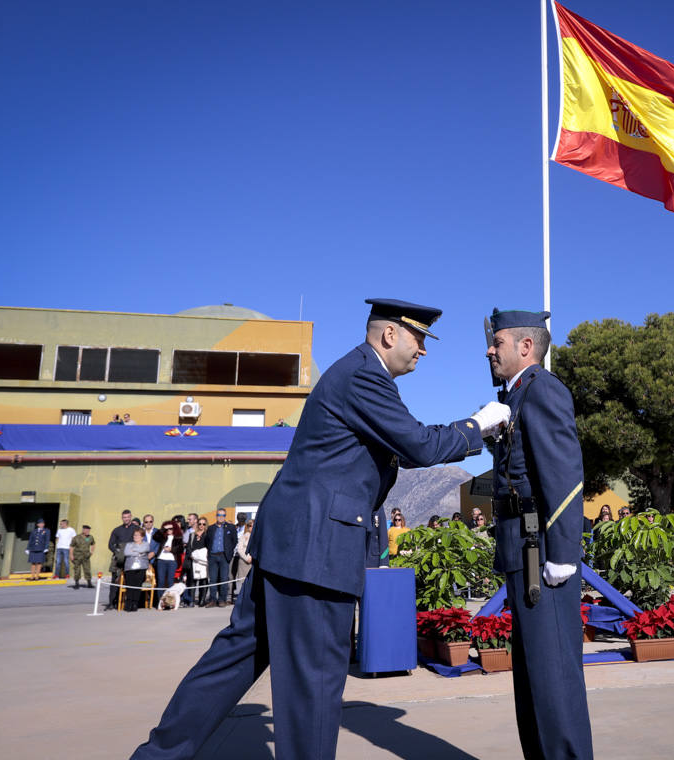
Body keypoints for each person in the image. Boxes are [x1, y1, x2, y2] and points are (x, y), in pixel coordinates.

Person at [131, 297, 507, 760]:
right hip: (316, 551)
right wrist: (478, 425)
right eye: (419, 338)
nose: (423, 350)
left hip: (292, 543)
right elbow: (419, 446)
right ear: (390, 334)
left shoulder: (355, 374)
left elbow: (395, 452)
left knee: (233, 660)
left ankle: (158, 754)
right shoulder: (366, 375)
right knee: (316, 680)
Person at [486, 307, 593, 760]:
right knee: (531, 681)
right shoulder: (513, 397)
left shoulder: (542, 391)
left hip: (541, 553)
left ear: (526, 346)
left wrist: (564, 552)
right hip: (519, 549)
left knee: (554, 682)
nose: (489, 349)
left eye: (499, 341)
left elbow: (564, 473)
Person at [204, 509, 237, 608]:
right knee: (212, 579)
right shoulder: (211, 528)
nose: (221, 517)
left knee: (224, 579)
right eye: (219, 515)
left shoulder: (230, 527)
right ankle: (213, 600)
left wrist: (229, 553)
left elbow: (234, 541)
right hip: (213, 556)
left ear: (225, 516)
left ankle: (222, 599)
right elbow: (207, 542)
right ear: (216, 516)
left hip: (224, 556)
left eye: (223, 515)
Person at [107, 510, 136, 609]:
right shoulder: (117, 530)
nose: (126, 519)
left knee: (130, 580)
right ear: (122, 518)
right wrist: (117, 551)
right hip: (118, 559)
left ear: (131, 517)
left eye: (128, 517)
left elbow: (140, 542)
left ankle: (128, 603)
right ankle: (112, 602)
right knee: (115, 580)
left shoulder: (137, 529)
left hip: (131, 559)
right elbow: (110, 545)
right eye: (124, 517)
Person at [122, 528, 153, 612]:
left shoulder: (146, 544)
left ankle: (135, 603)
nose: (135, 537)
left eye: (138, 535)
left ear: (142, 536)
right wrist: (139, 553)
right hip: (130, 567)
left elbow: (144, 550)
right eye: (134, 535)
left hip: (141, 567)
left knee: (137, 585)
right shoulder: (129, 544)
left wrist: (134, 551)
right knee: (130, 585)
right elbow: (126, 553)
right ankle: (128, 603)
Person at [186, 517, 210, 607]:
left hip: (203, 560)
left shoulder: (207, 535)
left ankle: (202, 600)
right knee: (192, 580)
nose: (201, 526)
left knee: (203, 580)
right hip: (193, 560)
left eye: (204, 524)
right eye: (200, 523)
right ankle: (191, 600)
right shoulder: (192, 535)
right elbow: (188, 547)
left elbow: (209, 547)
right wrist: (191, 555)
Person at [154, 521, 182, 594]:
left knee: (170, 581)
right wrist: (163, 528)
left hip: (172, 561)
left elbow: (180, 549)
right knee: (161, 581)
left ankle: (169, 601)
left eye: (171, 528)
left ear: (174, 529)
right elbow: (155, 537)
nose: (169, 530)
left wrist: (171, 549)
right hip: (161, 560)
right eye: (168, 529)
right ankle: (160, 601)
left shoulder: (178, 538)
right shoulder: (163, 537)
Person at [233, 520, 253, 599]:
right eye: (250, 526)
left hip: (253, 562)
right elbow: (240, 549)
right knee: (243, 582)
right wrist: (246, 558)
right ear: (247, 527)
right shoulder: (244, 536)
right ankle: (243, 597)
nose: (251, 527)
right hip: (244, 562)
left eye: (253, 526)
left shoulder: (258, 536)